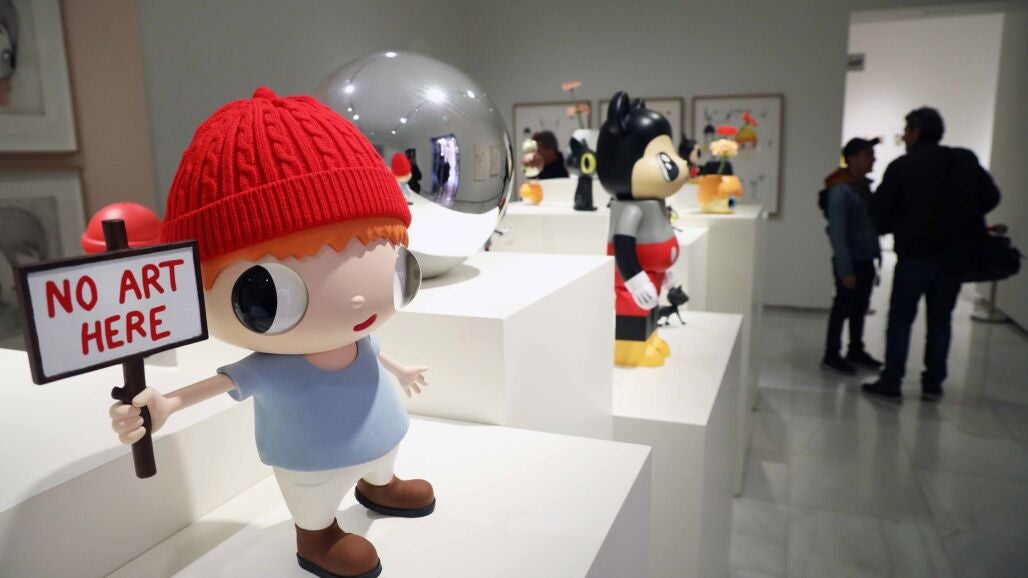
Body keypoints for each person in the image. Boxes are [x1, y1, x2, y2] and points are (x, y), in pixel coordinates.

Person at [110, 87, 434, 578]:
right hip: (311, 458)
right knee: (313, 496)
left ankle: (379, 484)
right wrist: (167, 404)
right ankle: (317, 535)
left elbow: (373, 348)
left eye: (394, 264)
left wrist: (400, 369)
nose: (357, 301)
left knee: (385, 453)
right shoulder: (273, 367)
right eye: (266, 295)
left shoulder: (359, 337)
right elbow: (224, 382)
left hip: (380, 426)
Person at [863, 107, 1000, 402]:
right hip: (952, 257)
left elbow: (879, 213)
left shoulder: (902, 167)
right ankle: (933, 384)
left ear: (916, 132)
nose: (904, 136)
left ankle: (892, 381)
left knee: (901, 320)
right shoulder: (962, 160)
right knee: (940, 321)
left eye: (906, 130)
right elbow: (991, 197)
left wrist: (899, 224)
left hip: (914, 255)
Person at [821, 137, 882, 375]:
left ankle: (856, 348)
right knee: (842, 307)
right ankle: (832, 354)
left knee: (859, 307)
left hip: (865, 258)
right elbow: (837, 232)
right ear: (853, 158)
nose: (873, 159)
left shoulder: (860, 187)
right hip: (851, 260)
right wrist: (845, 269)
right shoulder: (840, 191)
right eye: (868, 154)